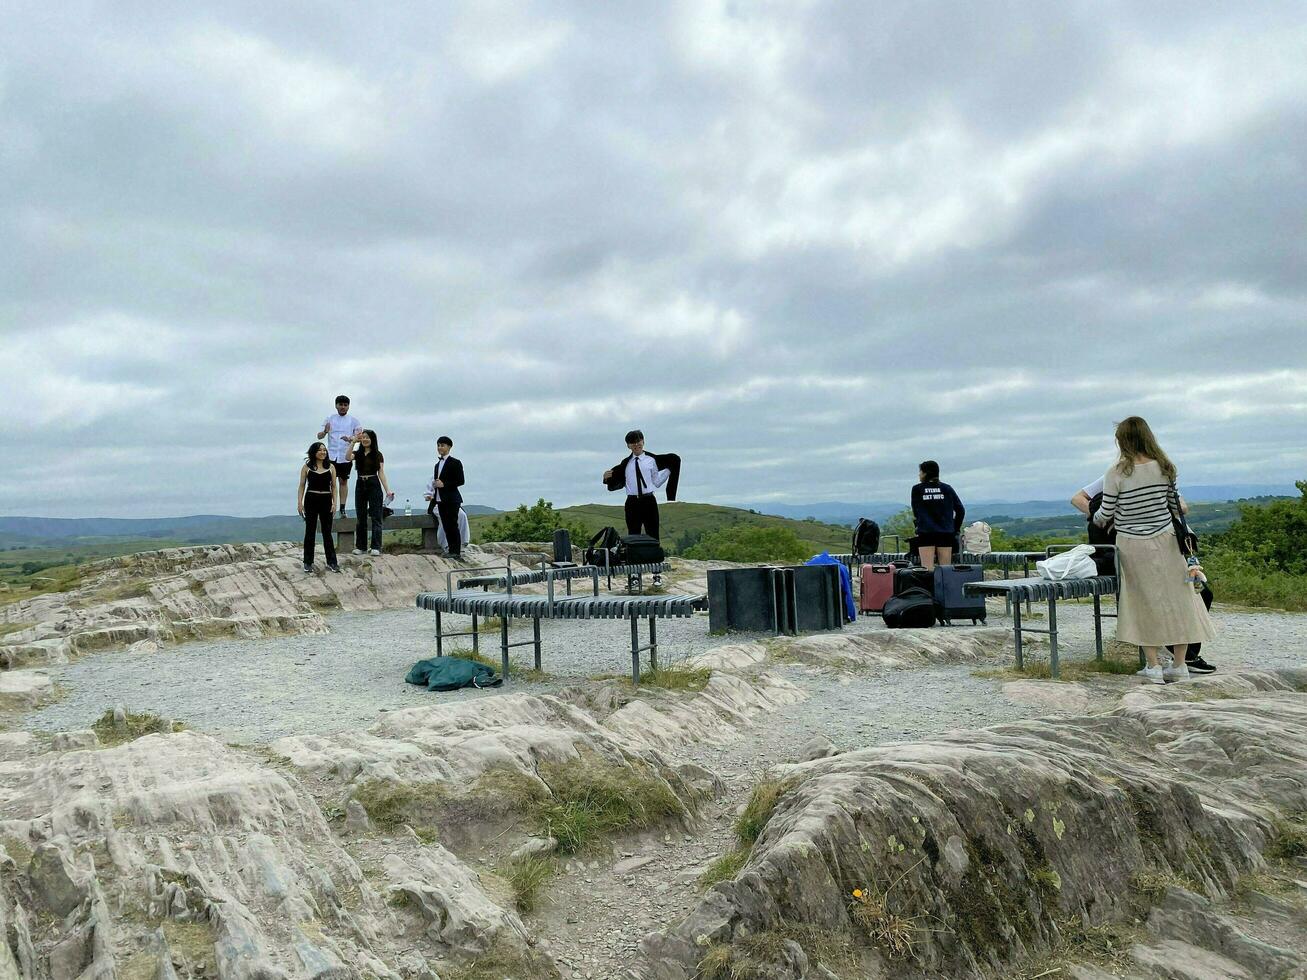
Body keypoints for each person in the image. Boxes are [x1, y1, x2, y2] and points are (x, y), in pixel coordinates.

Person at [1092, 417, 1216, 684]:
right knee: (1179, 599)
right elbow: (1175, 507)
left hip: (1132, 544)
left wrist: (1097, 518)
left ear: (1123, 440)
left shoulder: (1116, 472)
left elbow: (1107, 512)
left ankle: (1153, 667)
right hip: (1168, 540)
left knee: (1142, 601)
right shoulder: (1165, 466)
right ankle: (1180, 665)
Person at [1073, 475, 1216, 674]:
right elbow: (1078, 498)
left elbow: (1182, 507)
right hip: (1132, 545)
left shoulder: (1157, 475)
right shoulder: (1115, 475)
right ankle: (1178, 658)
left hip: (1163, 544)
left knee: (1199, 594)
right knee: (1162, 598)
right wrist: (1107, 517)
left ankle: (1180, 656)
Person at [603, 430, 681, 588]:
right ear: (628, 445)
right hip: (632, 503)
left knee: (653, 536)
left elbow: (657, 482)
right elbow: (613, 481)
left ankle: (656, 574)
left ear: (643, 442)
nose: (636, 444)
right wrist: (605, 477)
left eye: (639, 441)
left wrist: (669, 470)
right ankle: (634, 576)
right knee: (633, 538)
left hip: (649, 500)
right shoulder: (626, 463)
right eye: (633, 442)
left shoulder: (651, 460)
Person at [910, 460, 964, 571]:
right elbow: (960, 510)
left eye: (920, 472)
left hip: (926, 533)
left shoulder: (917, 489)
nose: (919, 475)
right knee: (945, 570)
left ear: (925, 473)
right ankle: (944, 588)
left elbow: (916, 512)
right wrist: (955, 528)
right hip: (946, 533)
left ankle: (929, 588)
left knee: (927, 570)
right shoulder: (947, 488)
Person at [346, 429, 393, 556]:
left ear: (373, 440)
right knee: (361, 516)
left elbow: (381, 472)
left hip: (374, 483)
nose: (365, 440)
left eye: (368, 437)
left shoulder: (378, 454)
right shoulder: (358, 453)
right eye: (364, 437)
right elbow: (347, 457)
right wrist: (353, 442)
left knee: (376, 516)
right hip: (360, 483)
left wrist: (387, 489)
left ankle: (376, 546)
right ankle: (361, 546)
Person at [297, 442, 340, 573]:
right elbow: (302, 485)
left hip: (326, 499)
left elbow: (334, 486)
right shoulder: (306, 467)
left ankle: (332, 562)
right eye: (320, 450)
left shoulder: (331, 467)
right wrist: (300, 503)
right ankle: (308, 562)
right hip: (311, 499)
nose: (323, 452)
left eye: (324, 450)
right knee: (310, 531)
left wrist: (334, 503)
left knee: (327, 532)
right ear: (314, 452)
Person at [318, 395, 362, 517]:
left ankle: (342, 508)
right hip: (331, 456)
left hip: (345, 455)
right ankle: (330, 507)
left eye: (345, 405)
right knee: (330, 482)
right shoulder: (329, 418)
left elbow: (360, 437)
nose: (343, 407)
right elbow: (319, 436)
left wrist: (351, 438)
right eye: (340, 404)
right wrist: (325, 431)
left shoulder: (354, 421)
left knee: (343, 481)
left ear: (348, 406)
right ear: (336, 405)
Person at [424, 436, 465, 559]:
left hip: (452, 499)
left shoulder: (455, 462)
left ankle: (456, 551)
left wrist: (444, 484)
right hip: (440, 499)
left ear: (449, 447)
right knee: (446, 525)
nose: (440, 448)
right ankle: (450, 549)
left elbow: (460, 480)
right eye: (438, 445)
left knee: (453, 525)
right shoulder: (437, 465)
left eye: (442, 445)